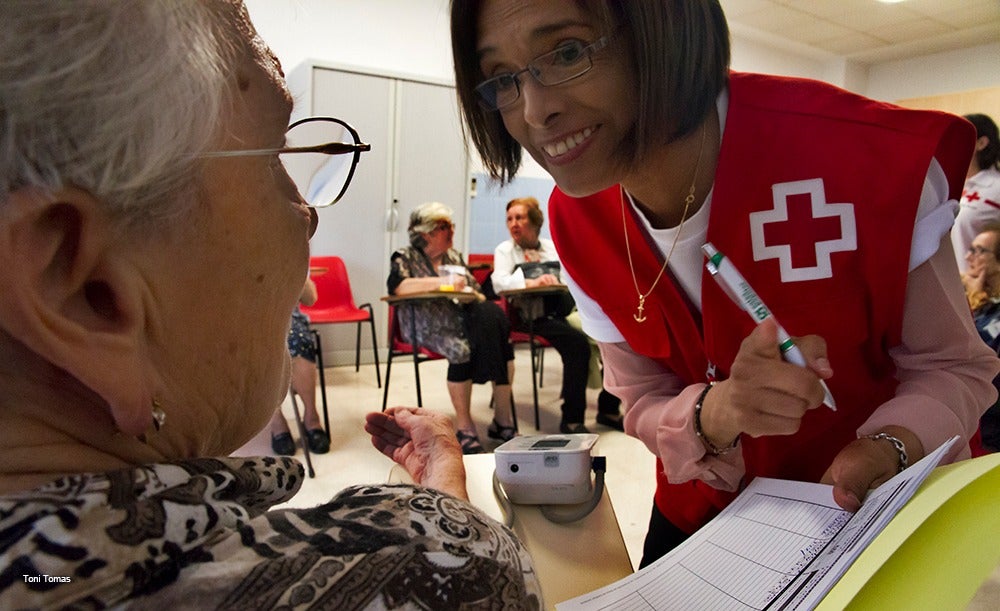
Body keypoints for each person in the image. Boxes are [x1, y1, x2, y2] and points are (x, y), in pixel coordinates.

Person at [0, 2, 540, 608]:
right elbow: (459, 565)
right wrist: (443, 500)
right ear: (88, 294)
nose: (308, 214)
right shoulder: (437, 571)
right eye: (271, 155)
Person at [450, 0, 999, 566]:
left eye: (567, 52)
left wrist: (887, 446)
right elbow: (638, 394)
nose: (534, 111)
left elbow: (953, 367)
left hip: (876, 510)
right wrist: (713, 414)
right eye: (502, 79)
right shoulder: (575, 217)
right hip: (707, 507)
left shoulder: (868, 159)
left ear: (663, 26)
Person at [387, 202, 518, 454]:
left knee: (503, 342)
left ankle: (503, 421)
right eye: (444, 226)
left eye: (451, 225)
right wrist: (441, 283)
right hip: (424, 327)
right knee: (460, 349)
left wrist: (466, 290)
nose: (451, 230)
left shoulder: (454, 256)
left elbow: (474, 290)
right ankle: (465, 427)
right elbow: (398, 287)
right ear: (426, 232)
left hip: (460, 320)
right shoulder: (405, 257)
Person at [492, 196, 623, 433]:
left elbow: (571, 275)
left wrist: (557, 279)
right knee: (577, 345)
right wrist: (532, 282)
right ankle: (572, 419)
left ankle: (608, 407)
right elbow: (499, 284)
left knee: (611, 338)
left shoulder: (550, 247)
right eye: (509, 219)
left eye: (519, 217)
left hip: (563, 310)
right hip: (531, 317)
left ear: (534, 221)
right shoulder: (505, 250)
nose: (513, 224)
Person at [269, 277, 330, 455]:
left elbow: (310, 298)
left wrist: (294, 269)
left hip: (288, 316)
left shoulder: (288, 253)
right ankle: (275, 420)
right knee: (257, 349)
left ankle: (311, 417)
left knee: (299, 340)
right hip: (249, 321)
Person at [960, 225, 1000, 452]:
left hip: (990, 438)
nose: (968, 257)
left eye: (979, 251)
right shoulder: (967, 296)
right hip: (971, 428)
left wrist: (974, 301)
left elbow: (971, 356)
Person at [952, 114, 1000, 273]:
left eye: (960, 136)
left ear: (981, 143)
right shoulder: (950, 184)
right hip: (945, 285)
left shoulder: (996, 187)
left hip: (980, 289)